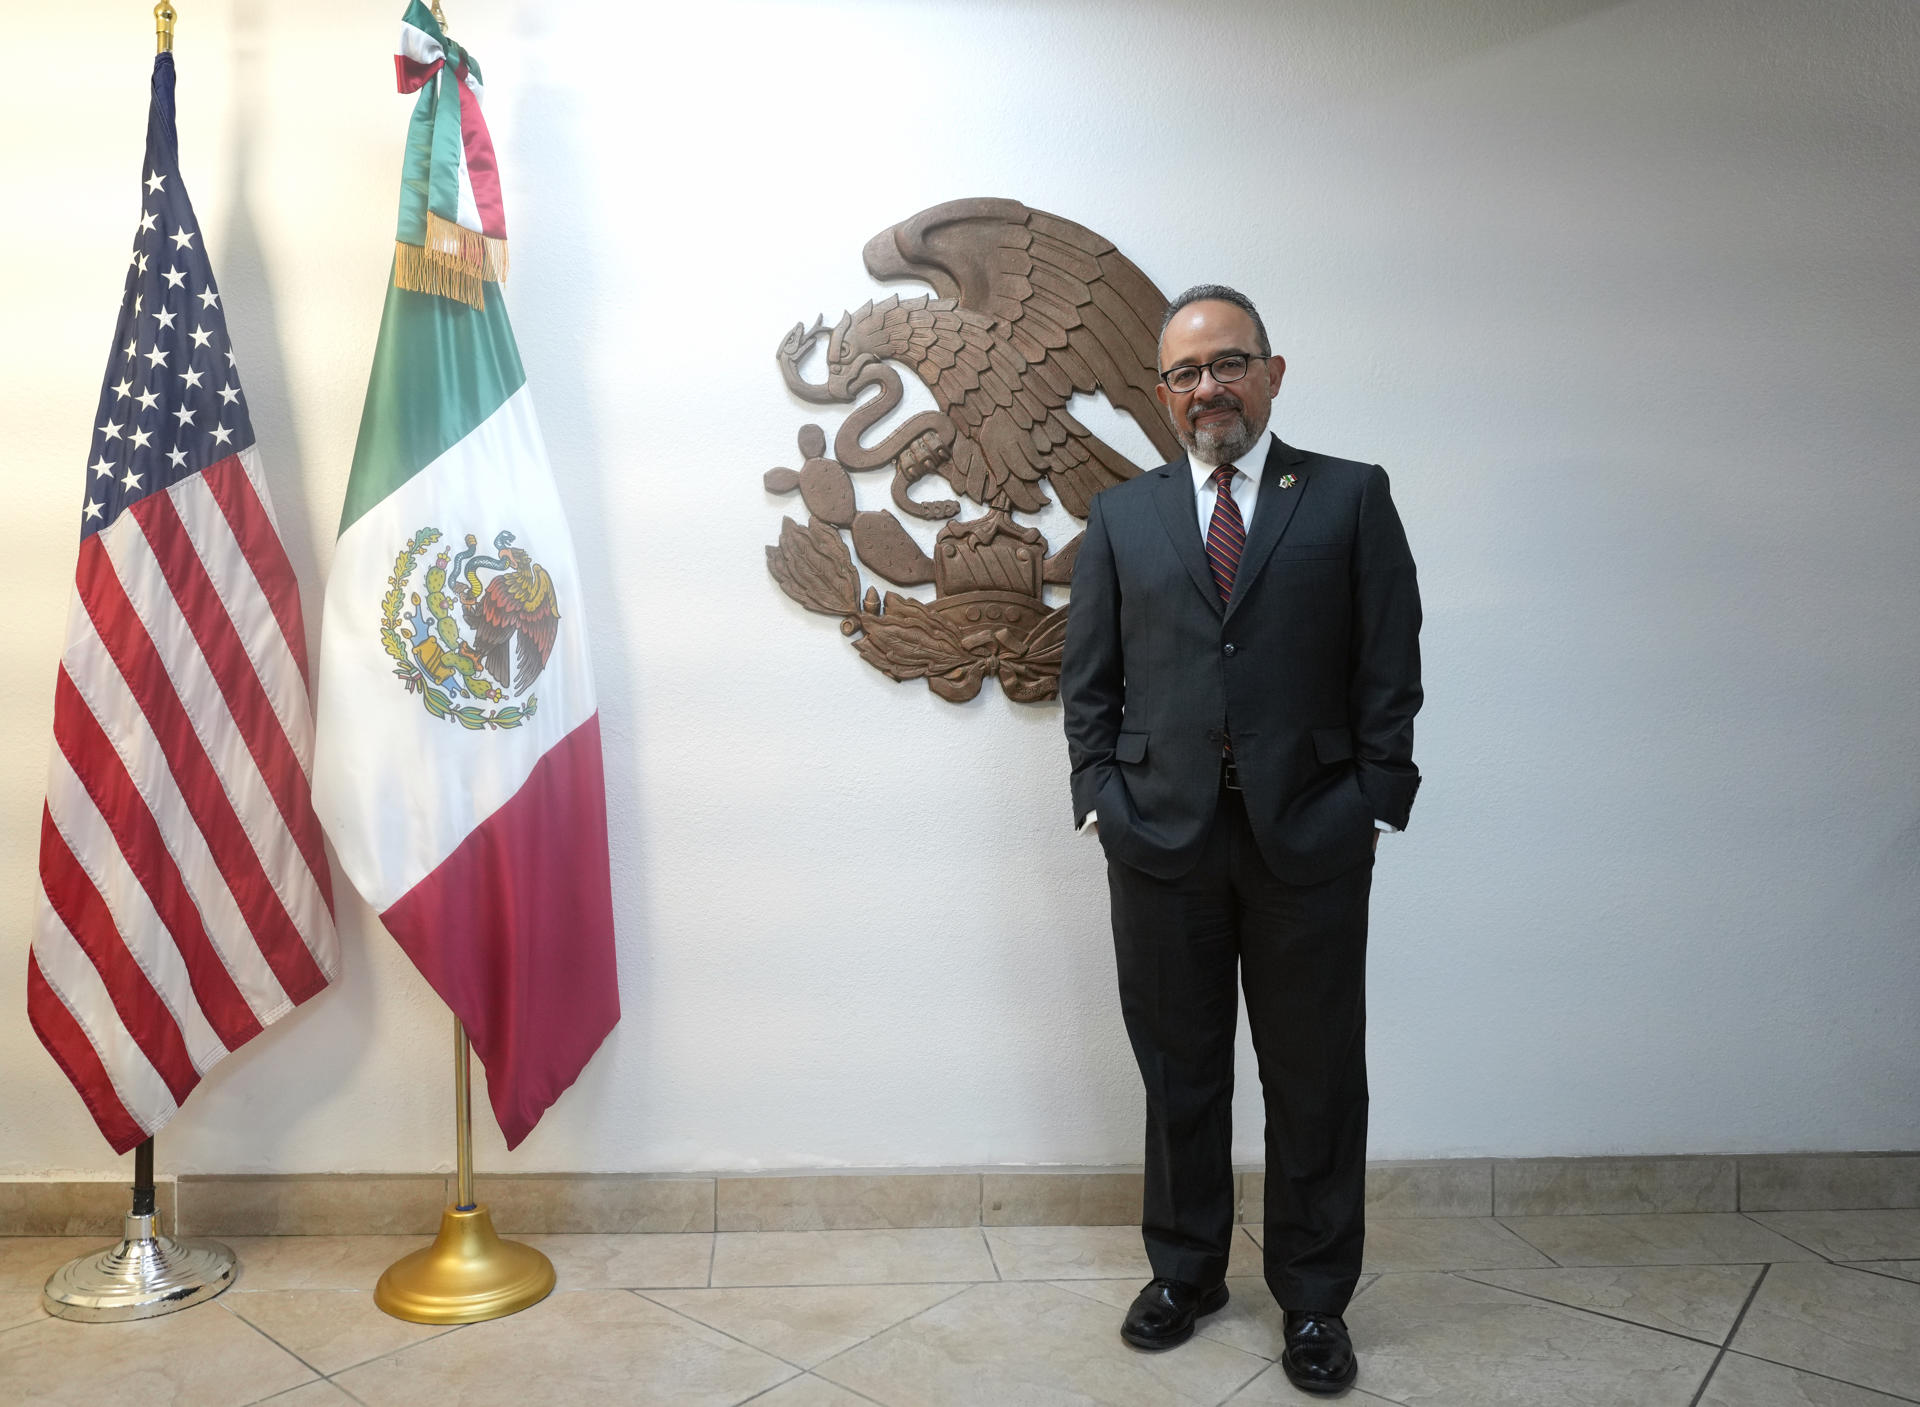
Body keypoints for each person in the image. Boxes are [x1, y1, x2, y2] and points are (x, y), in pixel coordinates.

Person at [1060, 284, 1422, 1395]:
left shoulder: (1351, 498)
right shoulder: (1124, 516)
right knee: (1178, 1073)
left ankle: (1314, 1300)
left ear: (1272, 371)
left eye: (1228, 363)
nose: (1207, 387)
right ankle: (1187, 1273)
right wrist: (1099, 796)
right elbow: (1091, 681)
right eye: (1184, 373)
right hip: (1160, 839)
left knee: (1315, 1076)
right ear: (1162, 394)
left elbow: (1389, 663)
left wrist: (1370, 795)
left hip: (1307, 839)